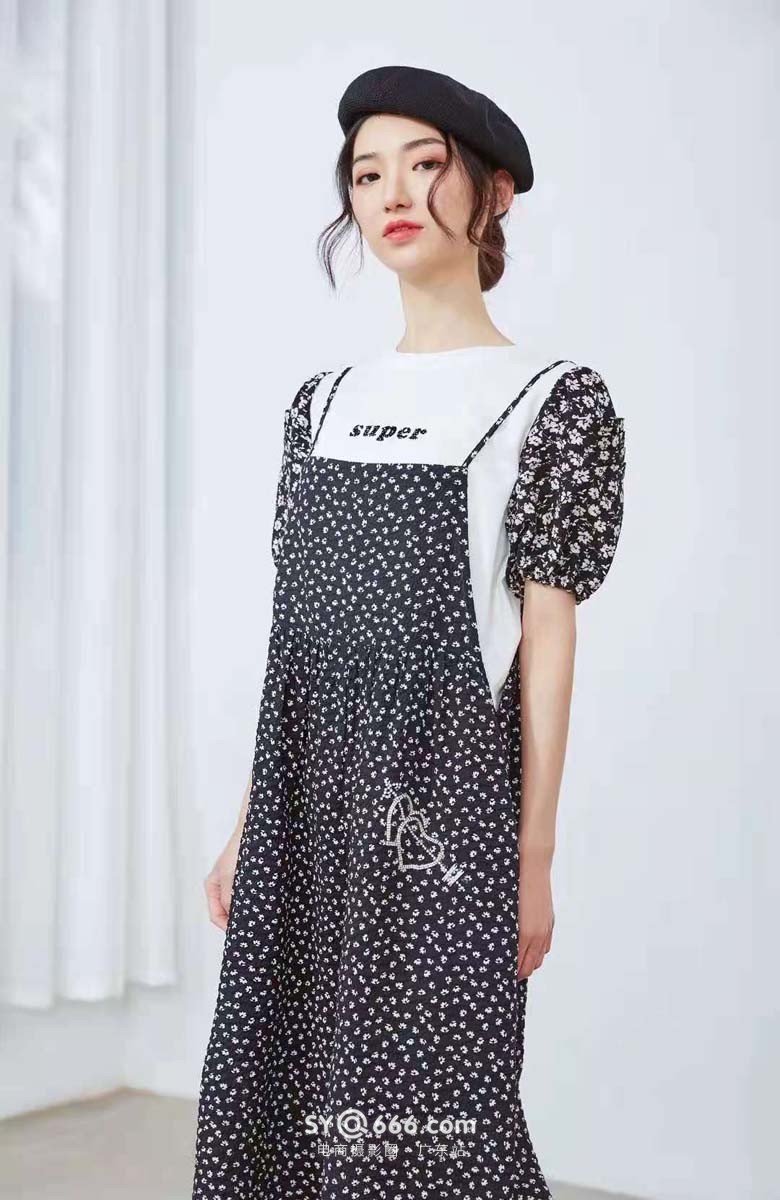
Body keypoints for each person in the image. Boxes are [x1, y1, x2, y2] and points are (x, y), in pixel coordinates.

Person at [192, 64, 626, 1200]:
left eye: (424, 165)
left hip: (445, 818)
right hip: (307, 807)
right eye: (366, 173)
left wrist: (533, 857)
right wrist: (248, 824)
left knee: (434, 1126)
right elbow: (297, 643)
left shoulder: (552, 399)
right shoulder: (322, 403)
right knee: (283, 1110)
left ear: (495, 194)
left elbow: (547, 640)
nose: (390, 194)